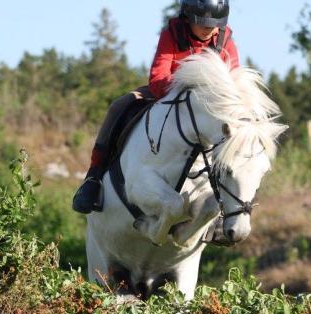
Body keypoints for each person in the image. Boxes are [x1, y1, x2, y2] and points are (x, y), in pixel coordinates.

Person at [72, 0, 240, 214]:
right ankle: (94, 178)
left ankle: (230, 207)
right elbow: (158, 79)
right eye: (203, 22)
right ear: (187, 18)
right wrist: (189, 86)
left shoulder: (225, 40)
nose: (209, 28)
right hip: (169, 93)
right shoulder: (171, 34)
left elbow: (233, 84)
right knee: (119, 106)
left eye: (215, 23)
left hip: (209, 108)